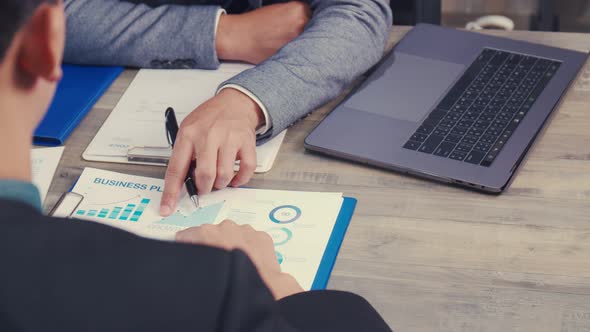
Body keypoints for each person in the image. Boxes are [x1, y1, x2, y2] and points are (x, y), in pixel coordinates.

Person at [0, 1, 393, 331]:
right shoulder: (214, 293)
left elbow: (359, 11)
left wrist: (248, 99)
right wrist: (274, 286)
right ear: (45, 39)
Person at [62, 0, 393, 216]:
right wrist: (222, 33)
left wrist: (249, 99)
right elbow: (41, 13)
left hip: (299, 95)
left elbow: (358, 15)